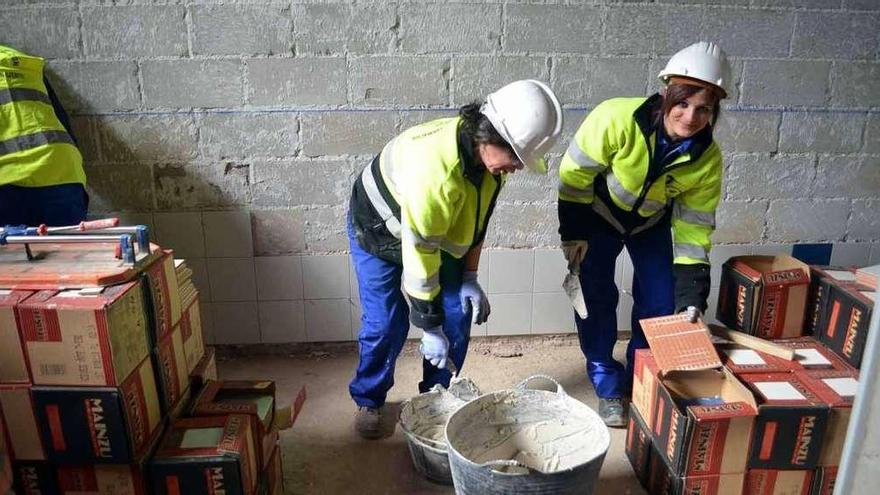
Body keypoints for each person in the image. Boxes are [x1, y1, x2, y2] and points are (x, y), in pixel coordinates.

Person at [348, 79, 563, 438]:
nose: (518, 168)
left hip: (427, 233)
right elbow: (420, 256)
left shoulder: (491, 165)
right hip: (379, 228)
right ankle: (369, 399)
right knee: (387, 323)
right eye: (517, 158)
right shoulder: (435, 173)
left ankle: (437, 399)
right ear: (491, 137)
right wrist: (429, 328)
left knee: (458, 312)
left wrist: (469, 277)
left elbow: (478, 223)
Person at [557, 41, 731, 427]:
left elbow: (694, 228)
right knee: (593, 296)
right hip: (598, 219)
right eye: (683, 102)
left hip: (650, 226)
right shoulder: (616, 117)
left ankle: (640, 376)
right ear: (667, 92)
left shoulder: (707, 158)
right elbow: (574, 177)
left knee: (661, 301)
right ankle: (606, 381)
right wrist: (573, 234)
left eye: (704, 109)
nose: (690, 117)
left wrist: (692, 296)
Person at [0, 44, 87, 227]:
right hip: (63, 173)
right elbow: (61, 118)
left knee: (13, 255)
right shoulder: (18, 60)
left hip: (7, 182)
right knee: (71, 252)